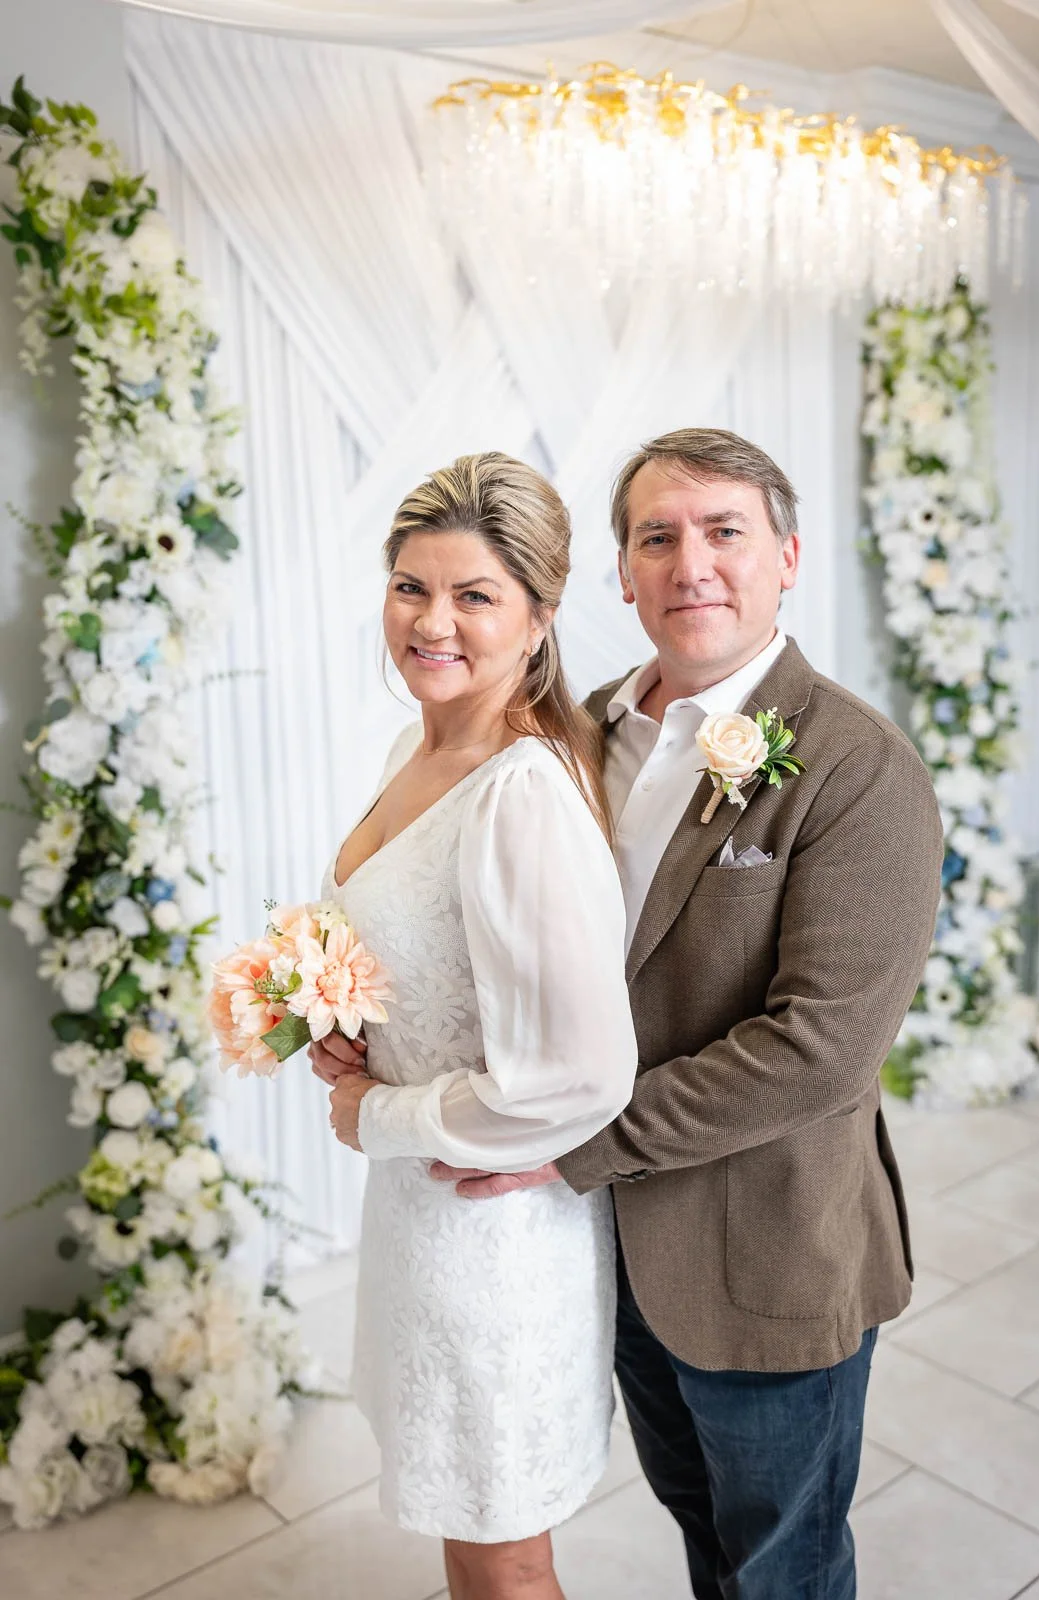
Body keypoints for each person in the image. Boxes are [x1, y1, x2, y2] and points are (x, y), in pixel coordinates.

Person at [418, 429, 945, 1599]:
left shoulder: (857, 766)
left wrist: (575, 1144)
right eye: (656, 536)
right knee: (701, 1533)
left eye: (724, 532)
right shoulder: (578, 730)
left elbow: (818, 1048)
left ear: (786, 556)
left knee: (781, 1567)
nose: (689, 563)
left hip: (767, 1250)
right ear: (620, 572)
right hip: (615, 1255)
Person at [310, 452, 638, 1600]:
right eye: (411, 586)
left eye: (474, 595)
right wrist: (351, 1024)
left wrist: (372, 1109)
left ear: (540, 618)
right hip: (424, 1209)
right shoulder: (420, 741)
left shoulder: (523, 794)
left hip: (494, 1236)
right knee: (464, 1534)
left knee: (504, 1560)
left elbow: (578, 1076)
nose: (431, 621)